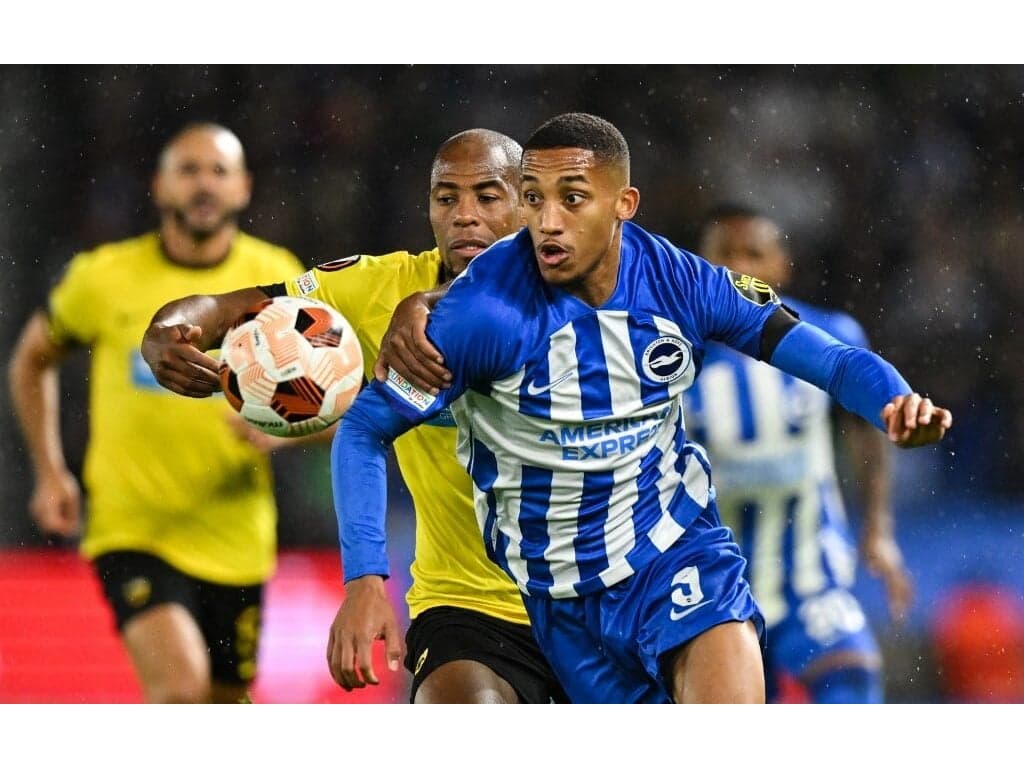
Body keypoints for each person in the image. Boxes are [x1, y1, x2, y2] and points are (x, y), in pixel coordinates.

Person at [330, 112, 952, 703]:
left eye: (572, 198)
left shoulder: (685, 284)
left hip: (675, 554)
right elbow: (363, 429)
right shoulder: (483, 314)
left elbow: (838, 361)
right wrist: (365, 579)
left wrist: (895, 401)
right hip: (559, 595)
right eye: (534, 197)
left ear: (623, 204)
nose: (548, 221)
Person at [141, 129, 567, 703]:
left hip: (598, 599)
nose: (465, 216)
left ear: (529, 203)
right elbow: (229, 307)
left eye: (488, 198)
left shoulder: (593, 291)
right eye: (447, 199)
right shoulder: (377, 288)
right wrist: (166, 330)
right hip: (467, 606)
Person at [8, 123, 304, 703]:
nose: (203, 185)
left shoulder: (277, 279)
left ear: (244, 188)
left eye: (218, 172)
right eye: (188, 170)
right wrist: (48, 469)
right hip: (133, 527)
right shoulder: (104, 276)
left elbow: (339, 403)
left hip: (235, 537)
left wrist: (286, 428)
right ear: (159, 186)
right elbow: (31, 360)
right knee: (178, 694)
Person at [682, 203, 913, 702]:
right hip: (711, 584)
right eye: (725, 253)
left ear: (781, 266)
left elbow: (865, 428)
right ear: (699, 265)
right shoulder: (671, 349)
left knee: (851, 680)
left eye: (754, 253)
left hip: (809, 574)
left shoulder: (830, 337)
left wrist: (878, 529)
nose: (739, 266)